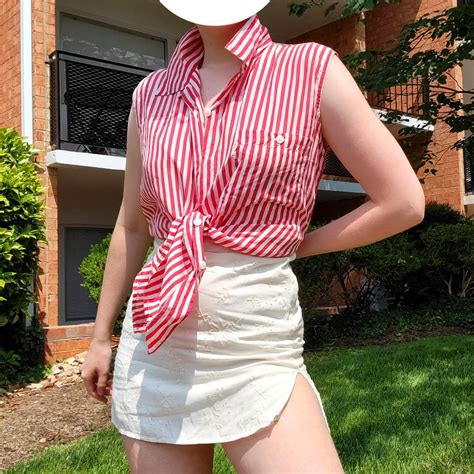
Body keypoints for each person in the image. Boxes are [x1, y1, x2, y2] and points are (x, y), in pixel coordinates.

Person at [80, 1, 425, 472]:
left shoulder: (309, 70)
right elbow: (133, 224)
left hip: (256, 344)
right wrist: (100, 338)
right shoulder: (149, 95)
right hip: (156, 348)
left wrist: (298, 245)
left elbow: (402, 202)